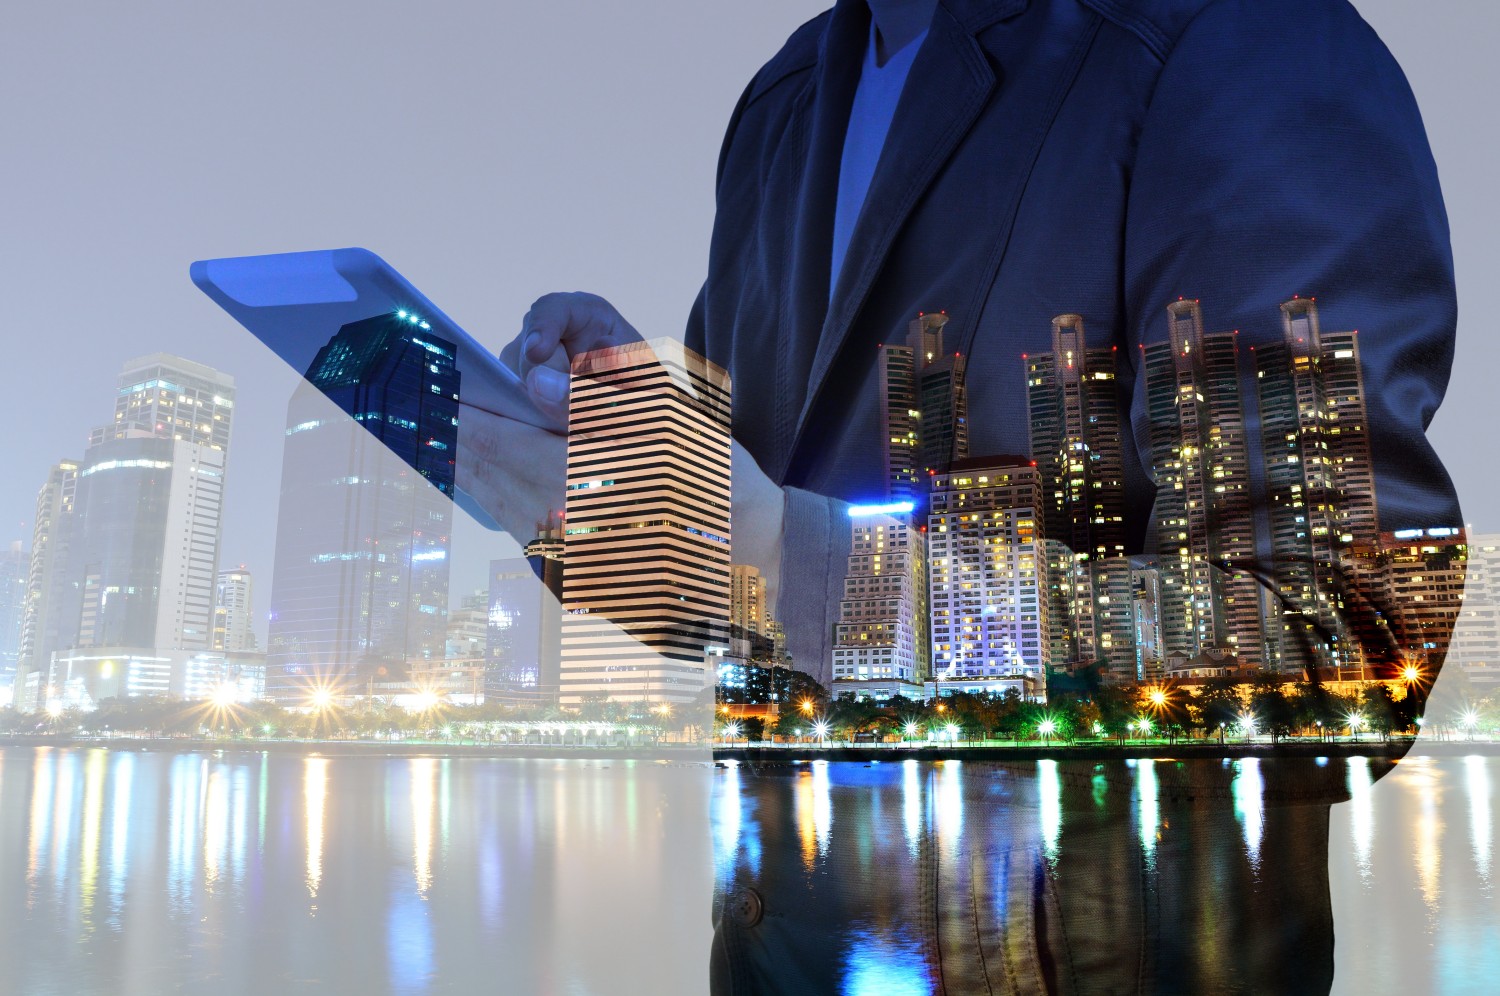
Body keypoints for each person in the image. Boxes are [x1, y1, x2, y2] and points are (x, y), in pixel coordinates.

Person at [457, 0, 1461, 990]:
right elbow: (747, 612)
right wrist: (606, 480)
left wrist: (788, 557)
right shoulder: (789, 99)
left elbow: (1348, 651)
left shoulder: (1247, 41)